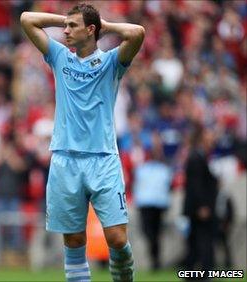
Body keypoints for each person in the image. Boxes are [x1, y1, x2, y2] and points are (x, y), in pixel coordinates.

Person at [21, 4, 144, 282]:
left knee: (116, 238)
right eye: (65, 26)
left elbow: (137, 33)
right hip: (65, 160)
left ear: (91, 30)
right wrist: (66, 18)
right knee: (74, 241)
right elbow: (27, 19)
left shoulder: (112, 62)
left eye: (73, 26)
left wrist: (104, 25)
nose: (65, 30)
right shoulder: (59, 57)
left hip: (103, 159)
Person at [133, 134, 173, 270]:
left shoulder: (162, 169)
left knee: (154, 233)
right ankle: (155, 257)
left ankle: (155, 259)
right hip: (148, 204)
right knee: (150, 232)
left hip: (155, 204)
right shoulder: (144, 168)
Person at [183, 124, 218, 275]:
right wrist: (202, 206)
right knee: (202, 240)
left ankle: (191, 272)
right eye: (209, 134)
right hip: (200, 209)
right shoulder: (196, 157)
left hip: (199, 208)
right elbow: (195, 185)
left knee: (195, 240)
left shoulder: (200, 156)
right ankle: (204, 273)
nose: (213, 138)